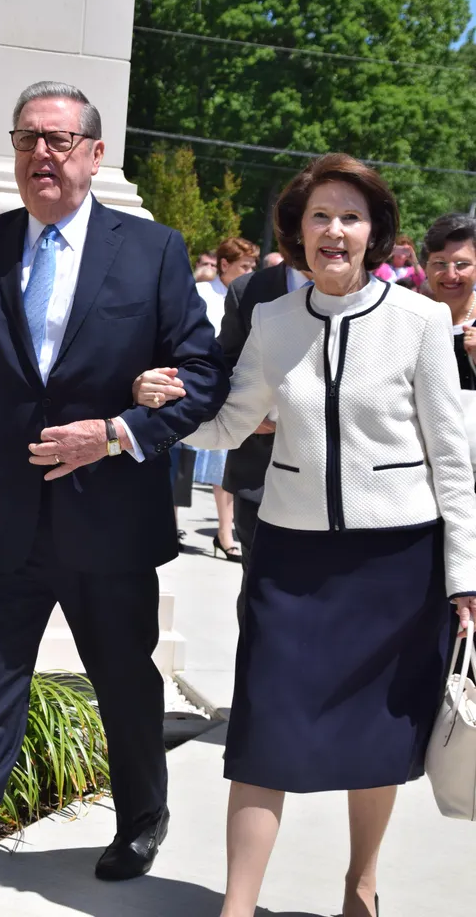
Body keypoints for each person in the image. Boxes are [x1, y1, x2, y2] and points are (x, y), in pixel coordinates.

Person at [0, 81, 229, 917]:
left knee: (124, 685)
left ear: (93, 154)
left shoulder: (152, 250)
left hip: (109, 521)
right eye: (26, 139)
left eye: (59, 140)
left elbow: (201, 377)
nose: (41, 154)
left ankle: (142, 820)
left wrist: (118, 429)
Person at [148, 154, 476, 917]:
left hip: (396, 564)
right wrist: (166, 404)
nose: (336, 230)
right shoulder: (271, 319)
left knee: (379, 736)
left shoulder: (421, 321)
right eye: (320, 216)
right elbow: (231, 424)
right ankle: (237, 905)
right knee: (261, 727)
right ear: (296, 232)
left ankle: (361, 884)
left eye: (352, 217)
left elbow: (454, 463)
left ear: (374, 233)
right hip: (289, 560)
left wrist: (464, 578)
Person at [134, 255, 310, 620]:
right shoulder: (252, 291)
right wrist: (246, 406)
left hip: (342, 486)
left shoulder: (383, 299)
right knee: (263, 604)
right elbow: (223, 364)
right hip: (259, 469)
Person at [193, 237, 260, 560]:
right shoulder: (202, 294)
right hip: (208, 385)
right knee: (183, 470)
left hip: (237, 389)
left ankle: (224, 532)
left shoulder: (255, 297)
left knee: (224, 470)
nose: (250, 271)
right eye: (244, 266)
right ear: (224, 264)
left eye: (252, 266)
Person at [420, 213, 476, 389]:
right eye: (439, 263)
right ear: (425, 268)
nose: (451, 275)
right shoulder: (409, 319)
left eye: (462, 264)